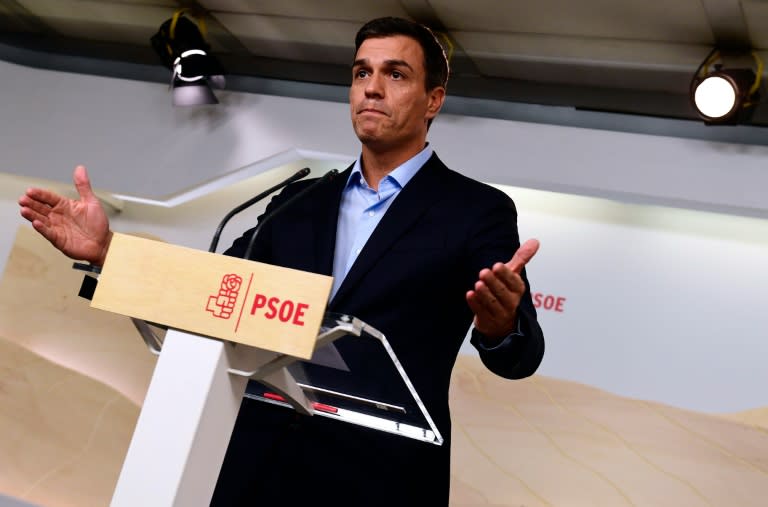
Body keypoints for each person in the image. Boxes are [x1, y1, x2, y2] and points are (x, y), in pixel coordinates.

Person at [19, 16, 544, 506]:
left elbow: (518, 355)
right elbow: (209, 292)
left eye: (395, 74)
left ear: (433, 100)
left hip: (379, 477)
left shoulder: (475, 210)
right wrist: (110, 252)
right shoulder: (300, 199)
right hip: (255, 462)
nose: (372, 87)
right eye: (361, 72)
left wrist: (501, 324)